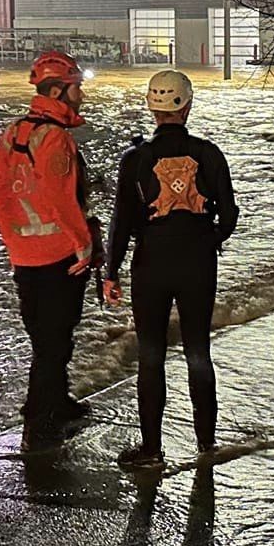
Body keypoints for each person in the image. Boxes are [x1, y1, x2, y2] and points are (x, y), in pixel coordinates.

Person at [101, 70, 239, 468]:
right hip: (197, 262)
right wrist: (207, 241)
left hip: (151, 264)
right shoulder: (209, 154)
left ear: (151, 106)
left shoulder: (136, 159)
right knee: (198, 350)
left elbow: (121, 224)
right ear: (188, 105)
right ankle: (207, 443)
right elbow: (229, 215)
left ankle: (152, 450)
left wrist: (111, 271)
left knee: (151, 355)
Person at [0, 50, 101, 442]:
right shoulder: (55, 139)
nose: (80, 96)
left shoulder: (13, 133)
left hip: (24, 254)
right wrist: (83, 243)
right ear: (57, 90)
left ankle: (52, 400)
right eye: (75, 88)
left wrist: (13, 239)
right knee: (57, 336)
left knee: (42, 335)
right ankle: (42, 415)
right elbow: (60, 198)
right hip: (59, 255)